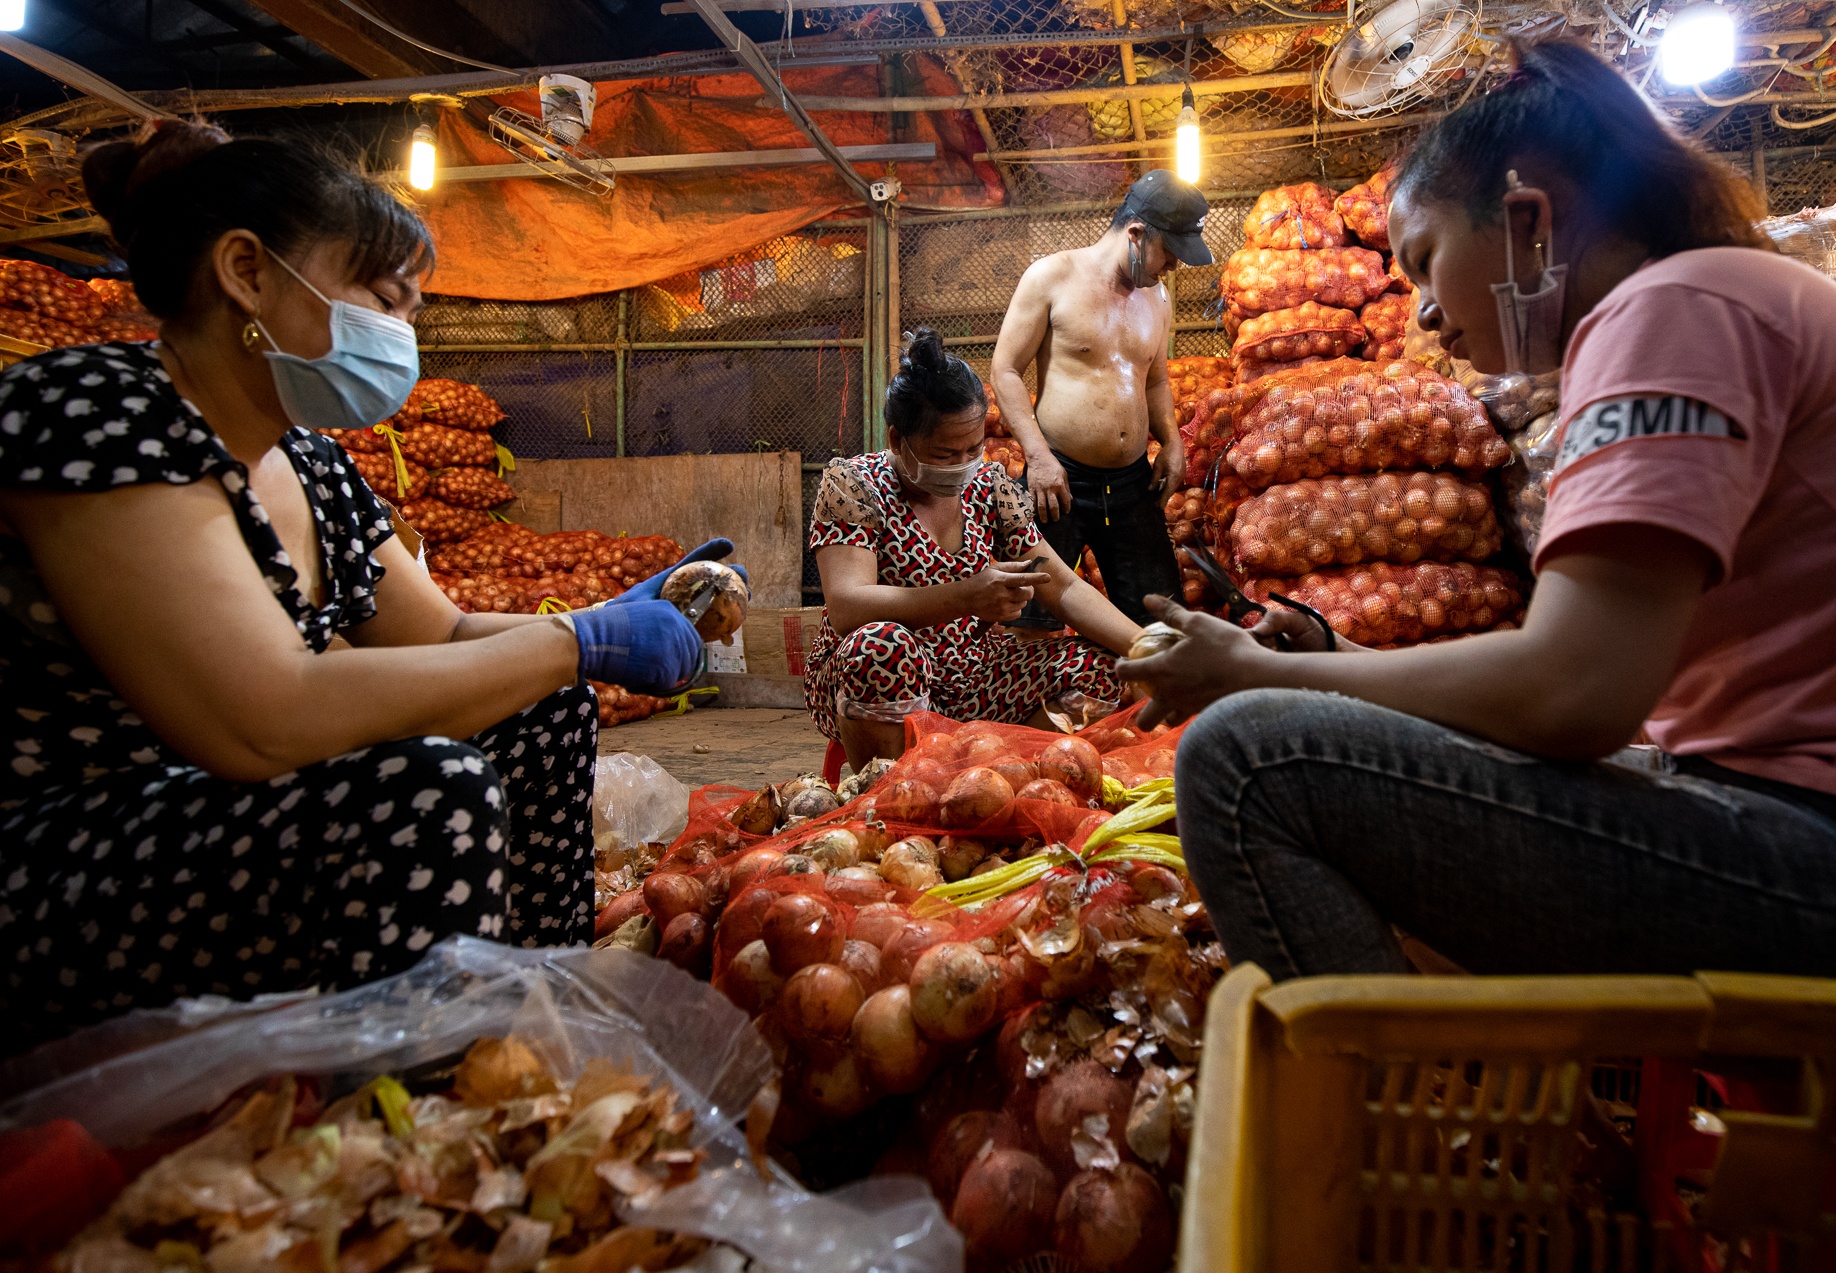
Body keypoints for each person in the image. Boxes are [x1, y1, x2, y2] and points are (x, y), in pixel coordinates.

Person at [1121, 40, 1836, 992]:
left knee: (1247, 758)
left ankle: (1394, 1114)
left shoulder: (1673, 310)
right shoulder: (1711, 297)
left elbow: (1575, 695)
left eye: (1428, 262)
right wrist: (1329, 663)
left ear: (1526, 221)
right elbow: (1589, 684)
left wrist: (1250, 674)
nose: (1426, 317)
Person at [0, 120, 723, 1051]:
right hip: (76, 853)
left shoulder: (309, 463)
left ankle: (516, 1032)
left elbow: (445, 640)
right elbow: (264, 713)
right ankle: (407, 1118)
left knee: (541, 713)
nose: (400, 333)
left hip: (234, 825)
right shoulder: (100, 409)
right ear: (247, 272)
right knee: (429, 790)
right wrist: (569, 641)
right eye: (383, 299)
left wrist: (597, 623)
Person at [807, 329, 1142, 769]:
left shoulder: (989, 487)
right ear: (896, 440)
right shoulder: (855, 485)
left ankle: (991, 779)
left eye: (974, 448)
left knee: (1104, 667)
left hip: (973, 674)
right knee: (879, 646)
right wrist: (967, 595)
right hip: (889, 671)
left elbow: (1059, 586)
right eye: (945, 454)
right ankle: (896, 790)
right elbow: (847, 607)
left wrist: (1148, 648)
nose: (963, 464)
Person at [989, 169, 1203, 625]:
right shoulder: (1051, 277)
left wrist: (1172, 441)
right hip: (1058, 481)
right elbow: (1005, 370)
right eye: (1170, 253)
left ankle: (1136, 699)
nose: (1174, 267)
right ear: (1136, 234)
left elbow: (1156, 380)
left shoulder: (1158, 299)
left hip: (1132, 485)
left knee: (1162, 619)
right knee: (1032, 621)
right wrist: (1038, 456)